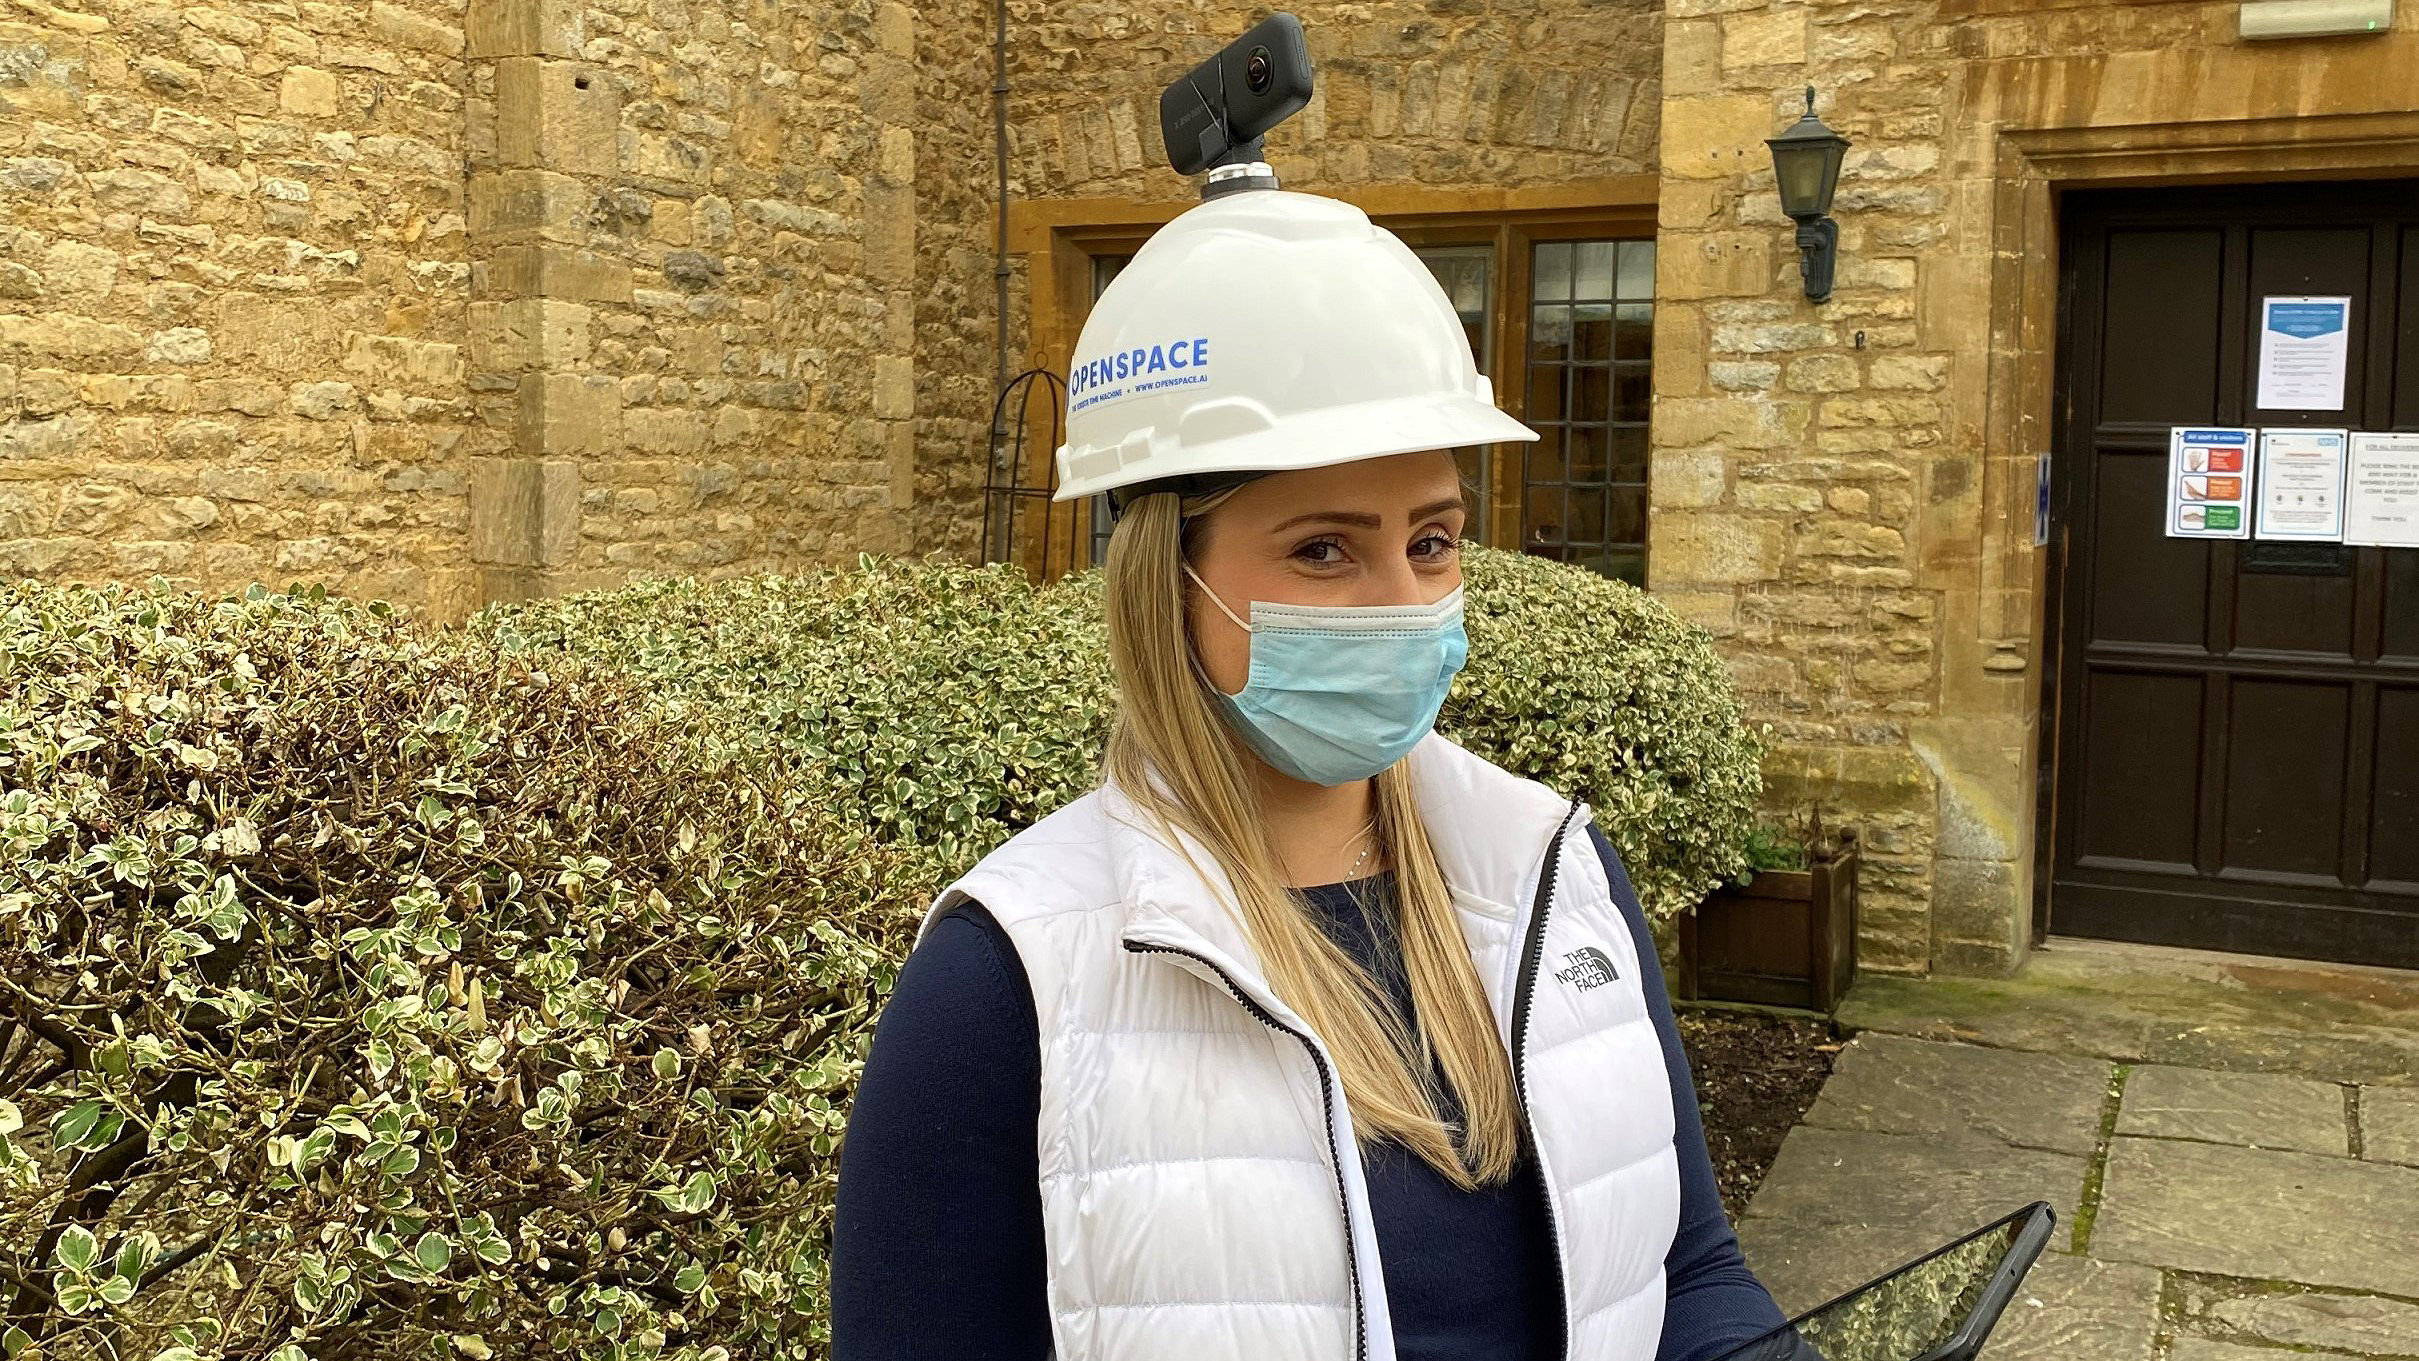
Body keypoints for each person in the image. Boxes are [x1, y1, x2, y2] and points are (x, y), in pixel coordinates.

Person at [830, 178, 1795, 1361]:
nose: (1404, 603)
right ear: (1162, 577)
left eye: (1430, 540)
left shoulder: (1553, 872)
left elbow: (1686, 1272)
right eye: (1325, 547)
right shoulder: (1010, 982)